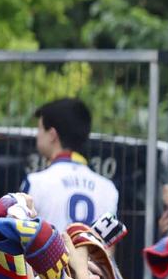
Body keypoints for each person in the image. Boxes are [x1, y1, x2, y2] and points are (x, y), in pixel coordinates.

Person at [25, 97, 118, 231]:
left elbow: (19, 241)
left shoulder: (35, 183)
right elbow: (109, 248)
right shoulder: (108, 189)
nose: (37, 135)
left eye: (39, 129)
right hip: (89, 253)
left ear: (52, 134)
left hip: (52, 252)